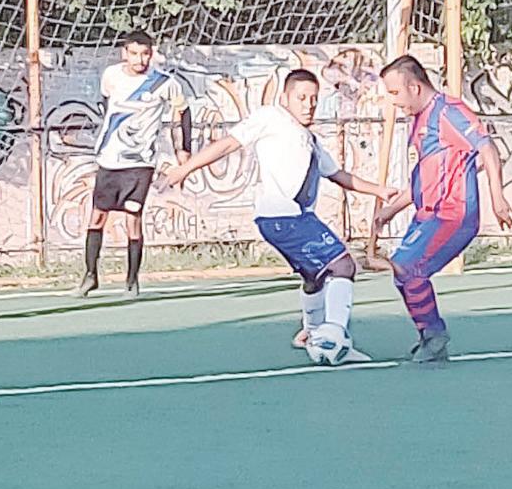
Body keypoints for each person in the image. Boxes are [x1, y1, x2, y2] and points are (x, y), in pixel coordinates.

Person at [161, 69, 396, 363]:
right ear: (285, 98)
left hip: (290, 218)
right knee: (343, 265)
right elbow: (228, 143)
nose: (309, 105)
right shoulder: (271, 117)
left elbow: (337, 174)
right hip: (285, 216)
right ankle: (334, 339)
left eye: (313, 99)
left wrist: (379, 190)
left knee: (314, 276)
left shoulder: (310, 139)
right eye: (301, 98)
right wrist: (185, 168)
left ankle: (312, 331)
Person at [371, 56, 512, 363]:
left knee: (409, 269)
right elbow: (426, 177)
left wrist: (497, 196)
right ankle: (429, 336)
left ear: (414, 87)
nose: (393, 101)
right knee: (402, 273)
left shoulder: (449, 111)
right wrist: (392, 209)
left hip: (453, 215)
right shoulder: (419, 121)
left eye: (395, 93)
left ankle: (435, 337)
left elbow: (487, 147)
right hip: (427, 216)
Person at [80, 30, 189, 297]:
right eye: (134, 53)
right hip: (109, 159)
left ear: (151, 54)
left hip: (141, 162)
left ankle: (131, 280)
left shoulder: (164, 83)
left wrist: (184, 149)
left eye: (145, 54)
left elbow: (183, 111)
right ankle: (90, 275)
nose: (139, 59)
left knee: (133, 217)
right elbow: (107, 104)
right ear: (124, 53)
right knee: (97, 216)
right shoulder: (111, 76)